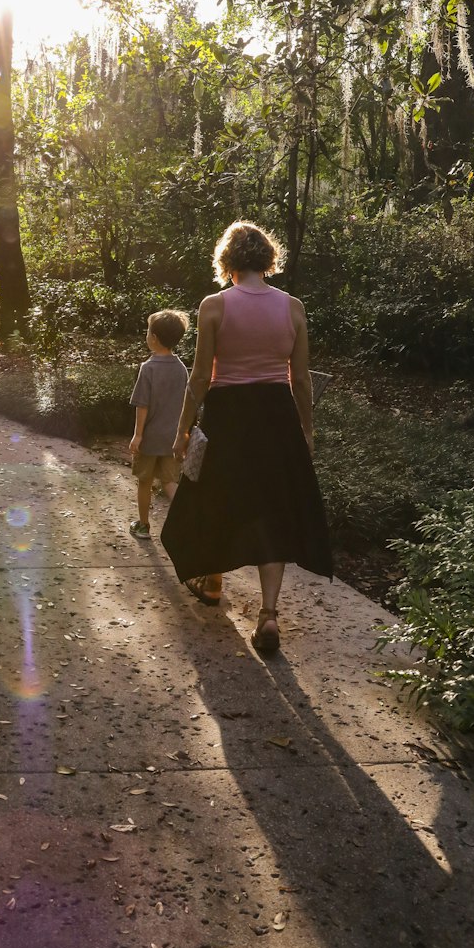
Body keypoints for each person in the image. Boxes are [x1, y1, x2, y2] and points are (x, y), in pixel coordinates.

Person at [161, 221, 332, 654]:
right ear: (267, 260)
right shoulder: (293, 307)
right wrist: (306, 431)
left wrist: (183, 429)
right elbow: (302, 380)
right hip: (276, 416)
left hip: (230, 416)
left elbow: (200, 377)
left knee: (217, 498)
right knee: (271, 511)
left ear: (228, 260)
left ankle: (212, 579)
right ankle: (269, 615)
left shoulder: (214, 306)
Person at [128, 308, 190, 538]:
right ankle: (189, 518)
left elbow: (142, 405)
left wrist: (138, 435)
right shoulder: (182, 368)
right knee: (169, 482)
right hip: (173, 437)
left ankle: (143, 526)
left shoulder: (148, 369)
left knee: (144, 481)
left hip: (151, 436)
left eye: (147, 332)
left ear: (153, 338)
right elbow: (186, 403)